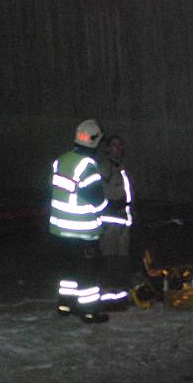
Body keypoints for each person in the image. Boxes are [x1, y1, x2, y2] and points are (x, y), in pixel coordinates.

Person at [48, 119, 128, 322]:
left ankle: (65, 305)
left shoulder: (61, 160)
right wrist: (112, 205)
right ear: (94, 141)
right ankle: (89, 311)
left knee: (67, 272)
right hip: (82, 232)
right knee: (87, 275)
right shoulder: (87, 166)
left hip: (59, 231)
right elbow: (98, 202)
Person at [97, 134, 134, 288]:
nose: (118, 148)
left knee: (123, 256)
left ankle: (121, 288)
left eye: (120, 145)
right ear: (107, 148)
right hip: (109, 219)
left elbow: (128, 192)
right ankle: (109, 289)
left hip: (123, 218)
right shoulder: (104, 166)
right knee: (110, 256)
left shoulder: (122, 166)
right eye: (114, 145)